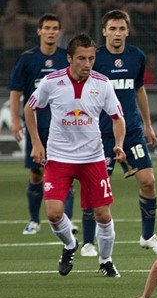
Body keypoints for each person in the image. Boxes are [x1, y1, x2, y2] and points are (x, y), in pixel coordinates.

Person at [23, 33, 126, 277]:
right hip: (59, 159)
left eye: (91, 58)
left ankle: (106, 261)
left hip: (93, 159)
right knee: (54, 213)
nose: (87, 63)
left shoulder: (102, 84)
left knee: (102, 214)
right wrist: (37, 143)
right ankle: (70, 245)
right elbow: (29, 108)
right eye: (81, 58)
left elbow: (117, 118)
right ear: (69, 58)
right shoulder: (51, 82)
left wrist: (119, 144)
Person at [79, 9, 157, 258]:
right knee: (96, 188)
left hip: (132, 132)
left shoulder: (136, 56)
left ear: (128, 31)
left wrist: (147, 125)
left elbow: (139, 90)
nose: (117, 33)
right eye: (112, 29)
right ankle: (87, 242)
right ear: (104, 31)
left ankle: (148, 236)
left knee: (148, 182)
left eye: (121, 29)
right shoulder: (93, 58)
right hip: (100, 134)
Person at [8, 13, 77, 235]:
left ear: (59, 32)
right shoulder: (27, 59)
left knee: (67, 172)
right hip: (36, 126)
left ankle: (67, 221)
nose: (51, 31)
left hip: (64, 126)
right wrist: (15, 119)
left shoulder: (66, 58)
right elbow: (16, 91)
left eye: (55, 28)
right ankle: (34, 219)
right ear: (39, 31)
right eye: (47, 27)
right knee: (36, 173)